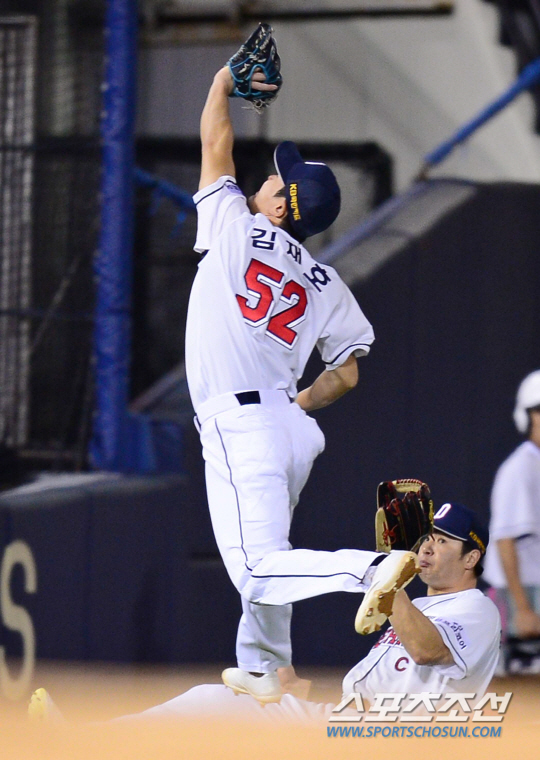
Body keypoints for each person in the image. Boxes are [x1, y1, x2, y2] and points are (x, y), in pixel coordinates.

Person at [183, 42, 404, 704]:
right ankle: (267, 672)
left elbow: (215, 143)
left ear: (281, 209)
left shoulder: (233, 223)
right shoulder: (327, 280)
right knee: (271, 560)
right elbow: (348, 373)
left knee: (256, 570)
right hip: (287, 426)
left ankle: (369, 570)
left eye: (280, 183)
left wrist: (221, 83)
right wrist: (299, 405)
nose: (268, 181)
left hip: (244, 422)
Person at [30, 502, 501, 724]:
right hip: (348, 719)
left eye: (443, 541)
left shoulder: (478, 609)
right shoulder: (418, 604)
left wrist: (389, 582)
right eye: (426, 538)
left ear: (472, 558)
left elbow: (425, 652)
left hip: (398, 737)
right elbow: (380, 686)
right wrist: (304, 689)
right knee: (211, 704)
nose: (427, 548)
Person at [484, 370, 540, 659]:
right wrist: (523, 608)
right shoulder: (519, 468)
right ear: (527, 417)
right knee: (519, 681)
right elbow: (504, 540)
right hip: (522, 594)